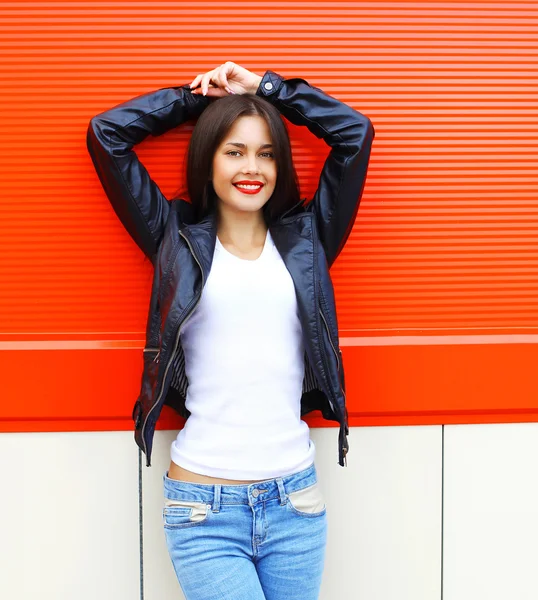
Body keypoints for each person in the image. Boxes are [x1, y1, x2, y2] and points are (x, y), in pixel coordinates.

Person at [87, 61, 374, 600]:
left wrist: (269, 90)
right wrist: (200, 99)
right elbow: (107, 135)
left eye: (266, 153)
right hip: (203, 509)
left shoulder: (309, 241)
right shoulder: (174, 238)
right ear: (209, 159)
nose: (253, 167)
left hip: (296, 504)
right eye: (234, 150)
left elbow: (355, 135)